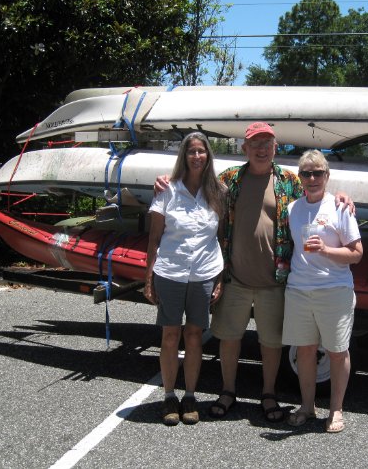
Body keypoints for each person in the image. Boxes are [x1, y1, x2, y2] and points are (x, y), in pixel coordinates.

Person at [155, 122, 354, 423]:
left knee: (271, 342)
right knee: (229, 337)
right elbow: (194, 180)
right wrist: (166, 179)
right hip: (234, 276)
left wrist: (343, 195)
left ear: (276, 148)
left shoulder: (290, 181)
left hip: (275, 279)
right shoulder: (228, 180)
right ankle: (228, 391)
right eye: (255, 143)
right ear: (245, 148)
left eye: (267, 143)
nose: (261, 149)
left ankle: (269, 393)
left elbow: (319, 191)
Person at [144, 131, 226, 426]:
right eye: (191, 151)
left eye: (201, 151)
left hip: (204, 273)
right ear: (184, 156)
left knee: (194, 336)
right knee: (170, 335)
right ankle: (168, 396)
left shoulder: (218, 192)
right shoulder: (167, 190)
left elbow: (222, 239)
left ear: (208, 156)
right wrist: (148, 278)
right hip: (170, 272)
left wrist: (220, 277)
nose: (196, 156)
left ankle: (189, 395)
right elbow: (154, 239)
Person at [283, 149, 363, 434]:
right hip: (299, 289)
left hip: (334, 289)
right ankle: (307, 406)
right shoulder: (293, 209)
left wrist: (327, 250)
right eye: (307, 173)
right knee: (304, 350)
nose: (312, 178)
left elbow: (356, 253)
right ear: (300, 177)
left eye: (318, 173)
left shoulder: (340, 207)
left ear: (327, 176)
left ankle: (336, 410)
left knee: (337, 351)